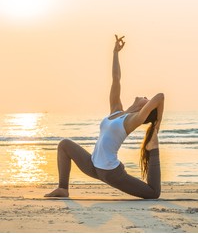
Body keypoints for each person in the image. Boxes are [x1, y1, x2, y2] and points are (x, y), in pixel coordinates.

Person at [45, 35, 164, 199]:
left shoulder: (133, 120)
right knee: (64, 145)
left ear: (145, 108)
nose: (145, 96)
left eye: (147, 98)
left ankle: (154, 150)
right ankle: (62, 188)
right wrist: (115, 52)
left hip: (110, 172)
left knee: (153, 193)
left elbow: (160, 97)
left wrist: (157, 125)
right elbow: (116, 78)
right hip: (93, 165)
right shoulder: (116, 111)